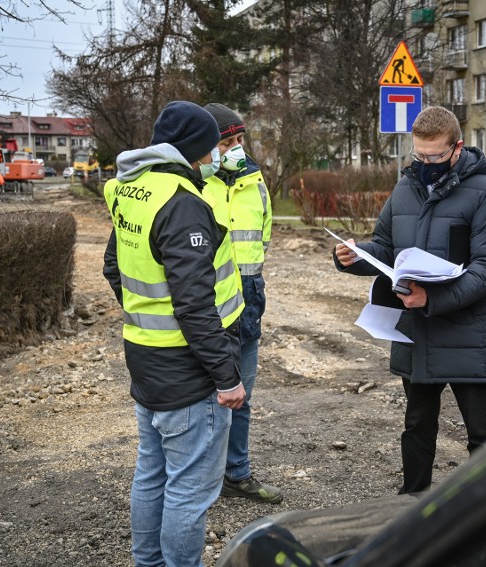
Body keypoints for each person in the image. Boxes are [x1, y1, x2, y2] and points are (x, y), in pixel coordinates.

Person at [333, 106, 486, 494]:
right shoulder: (405, 187)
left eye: (435, 155)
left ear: (457, 148)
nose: (427, 163)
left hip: (469, 333)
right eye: (420, 155)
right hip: (417, 331)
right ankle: (412, 502)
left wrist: (431, 298)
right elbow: (386, 246)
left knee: (482, 432)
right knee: (416, 425)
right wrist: (354, 255)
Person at [102, 101, 246, 567]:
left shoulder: (133, 188)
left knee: (152, 473)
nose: (216, 156)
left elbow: (113, 267)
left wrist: (144, 316)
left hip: (145, 356)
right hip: (189, 368)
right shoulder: (183, 203)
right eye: (211, 148)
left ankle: (149, 564)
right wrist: (227, 377)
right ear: (192, 149)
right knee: (189, 490)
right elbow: (194, 306)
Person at [202, 103, 281, 504]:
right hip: (206, 309)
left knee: (241, 398)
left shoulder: (255, 180)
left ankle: (237, 474)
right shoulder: (194, 184)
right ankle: (200, 482)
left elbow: (262, 236)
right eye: (225, 141)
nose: (234, 148)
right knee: (203, 403)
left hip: (247, 303)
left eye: (238, 140)